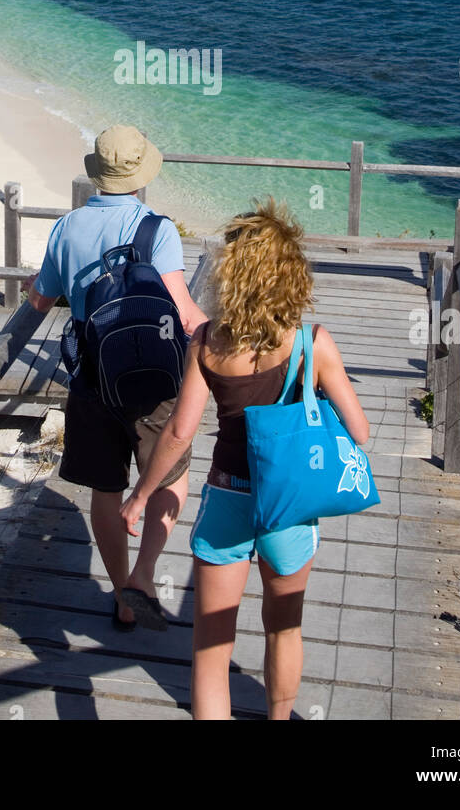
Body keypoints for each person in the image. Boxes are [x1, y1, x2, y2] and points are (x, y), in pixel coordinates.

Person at [120, 198, 370, 720]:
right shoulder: (313, 342)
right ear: (291, 275)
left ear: (234, 274)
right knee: (284, 626)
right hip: (291, 506)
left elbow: (179, 432)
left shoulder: (207, 343)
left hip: (229, 497)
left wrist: (141, 495)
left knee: (212, 645)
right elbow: (360, 433)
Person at [22, 124, 207, 632]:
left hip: (90, 376)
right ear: (142, 171)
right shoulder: (157, 230)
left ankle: (123, 596)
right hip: (151, 377)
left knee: (105, 489)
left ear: (97, 172)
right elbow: (185, 314)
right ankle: (145, 572)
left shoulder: (67, 227)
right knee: (170, 473)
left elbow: (40, 299)